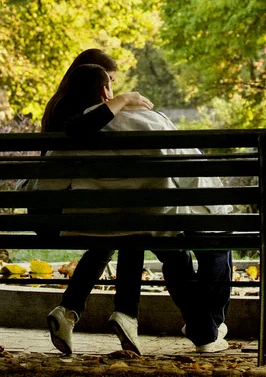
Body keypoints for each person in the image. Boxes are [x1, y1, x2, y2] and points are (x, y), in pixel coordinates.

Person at [47, 64, 232, 355]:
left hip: (98, 226)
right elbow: (190, 170)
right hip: (154, 222)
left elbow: (49, 185)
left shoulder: (70, 132)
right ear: (105, 91)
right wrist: (215, 208)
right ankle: (207, 332)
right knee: (192, 248)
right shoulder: (150, 120)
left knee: (162, 246)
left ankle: (204, 331)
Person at [22, 50, 154, 356]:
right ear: (96, 85)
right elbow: (80, 129)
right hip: (62, 215)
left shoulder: (62, 105)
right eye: (108, 83)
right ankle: (126, 314)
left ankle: (68, 312)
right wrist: (120, 102)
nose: (110, 91)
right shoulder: (78, 114)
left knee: (117, 231)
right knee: (130, 231)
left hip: (54, 214)